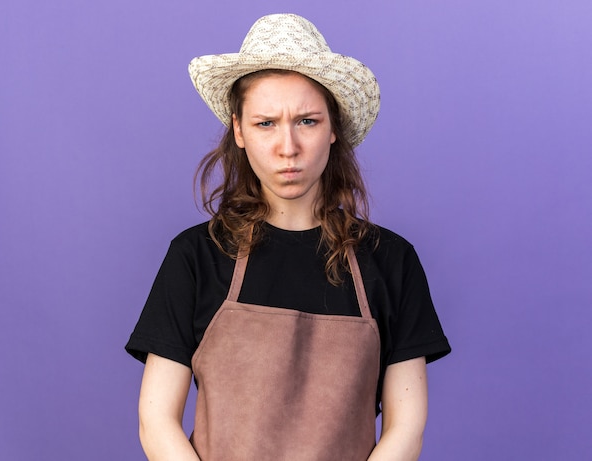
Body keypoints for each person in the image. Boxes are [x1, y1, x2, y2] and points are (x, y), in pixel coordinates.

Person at [125, 13, 450, 461]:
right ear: (238, 130)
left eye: (307, 121)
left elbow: (406, 429)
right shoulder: (195, 257)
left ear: (333, 128)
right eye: (265, 123)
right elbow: (156, 422)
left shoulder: (391, 261)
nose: (288, 147)